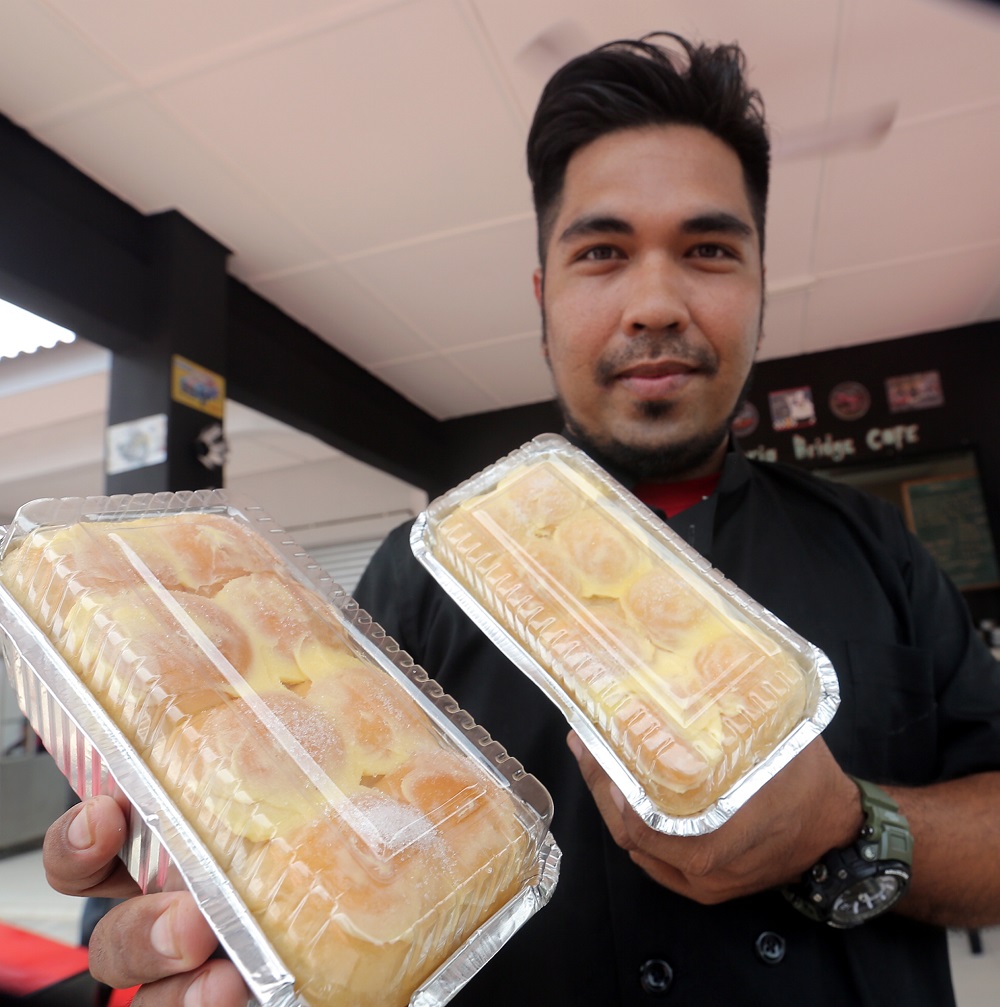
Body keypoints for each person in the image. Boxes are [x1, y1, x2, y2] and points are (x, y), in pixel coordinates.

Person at [40, 32, 1000, 1007]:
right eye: (602, 253)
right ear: (544, 299)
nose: (655, 301)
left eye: (708, 250)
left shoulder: (879, 549)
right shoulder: (417, 576)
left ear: (756, 286)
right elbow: (295, 842)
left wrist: (850, 821)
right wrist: (198, 926)